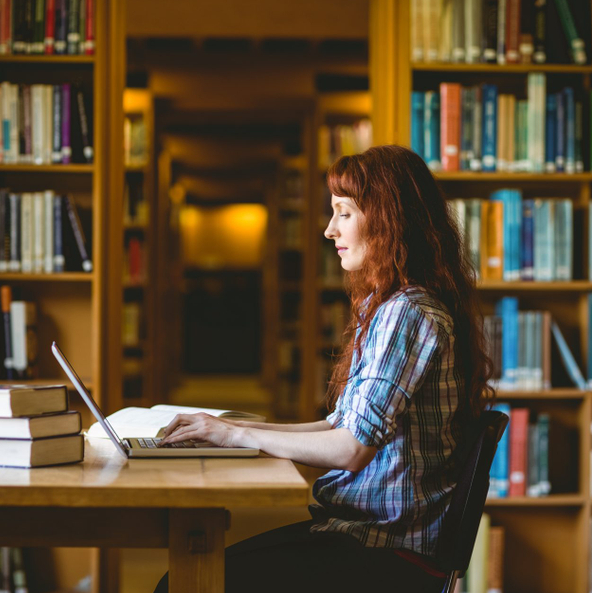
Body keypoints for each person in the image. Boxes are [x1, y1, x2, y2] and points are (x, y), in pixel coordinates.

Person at [154, 144, 493, 593]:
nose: (329, 229)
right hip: (362, 532)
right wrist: (226, 428)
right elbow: (340, 425)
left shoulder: (408, 313)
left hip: (383, 547)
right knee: (187, 577)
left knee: (183, 583)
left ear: (388, 219)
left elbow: (351, 448)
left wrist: (236, 436)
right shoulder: (390, 305)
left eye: (344, 213)